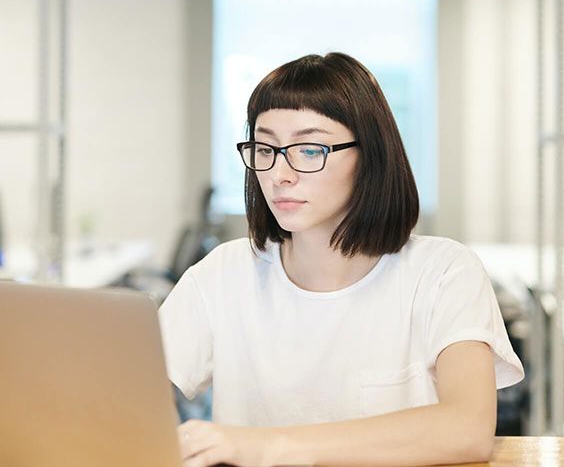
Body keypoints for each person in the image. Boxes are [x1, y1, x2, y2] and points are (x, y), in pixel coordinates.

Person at [159, 52, 524, 467]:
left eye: (310, 149)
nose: (280, 174)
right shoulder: (223, 274)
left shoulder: (443, 272)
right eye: (266, 147)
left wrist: (269, 447)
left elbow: (467, 430)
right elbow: (122, 396)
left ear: (370, 156)